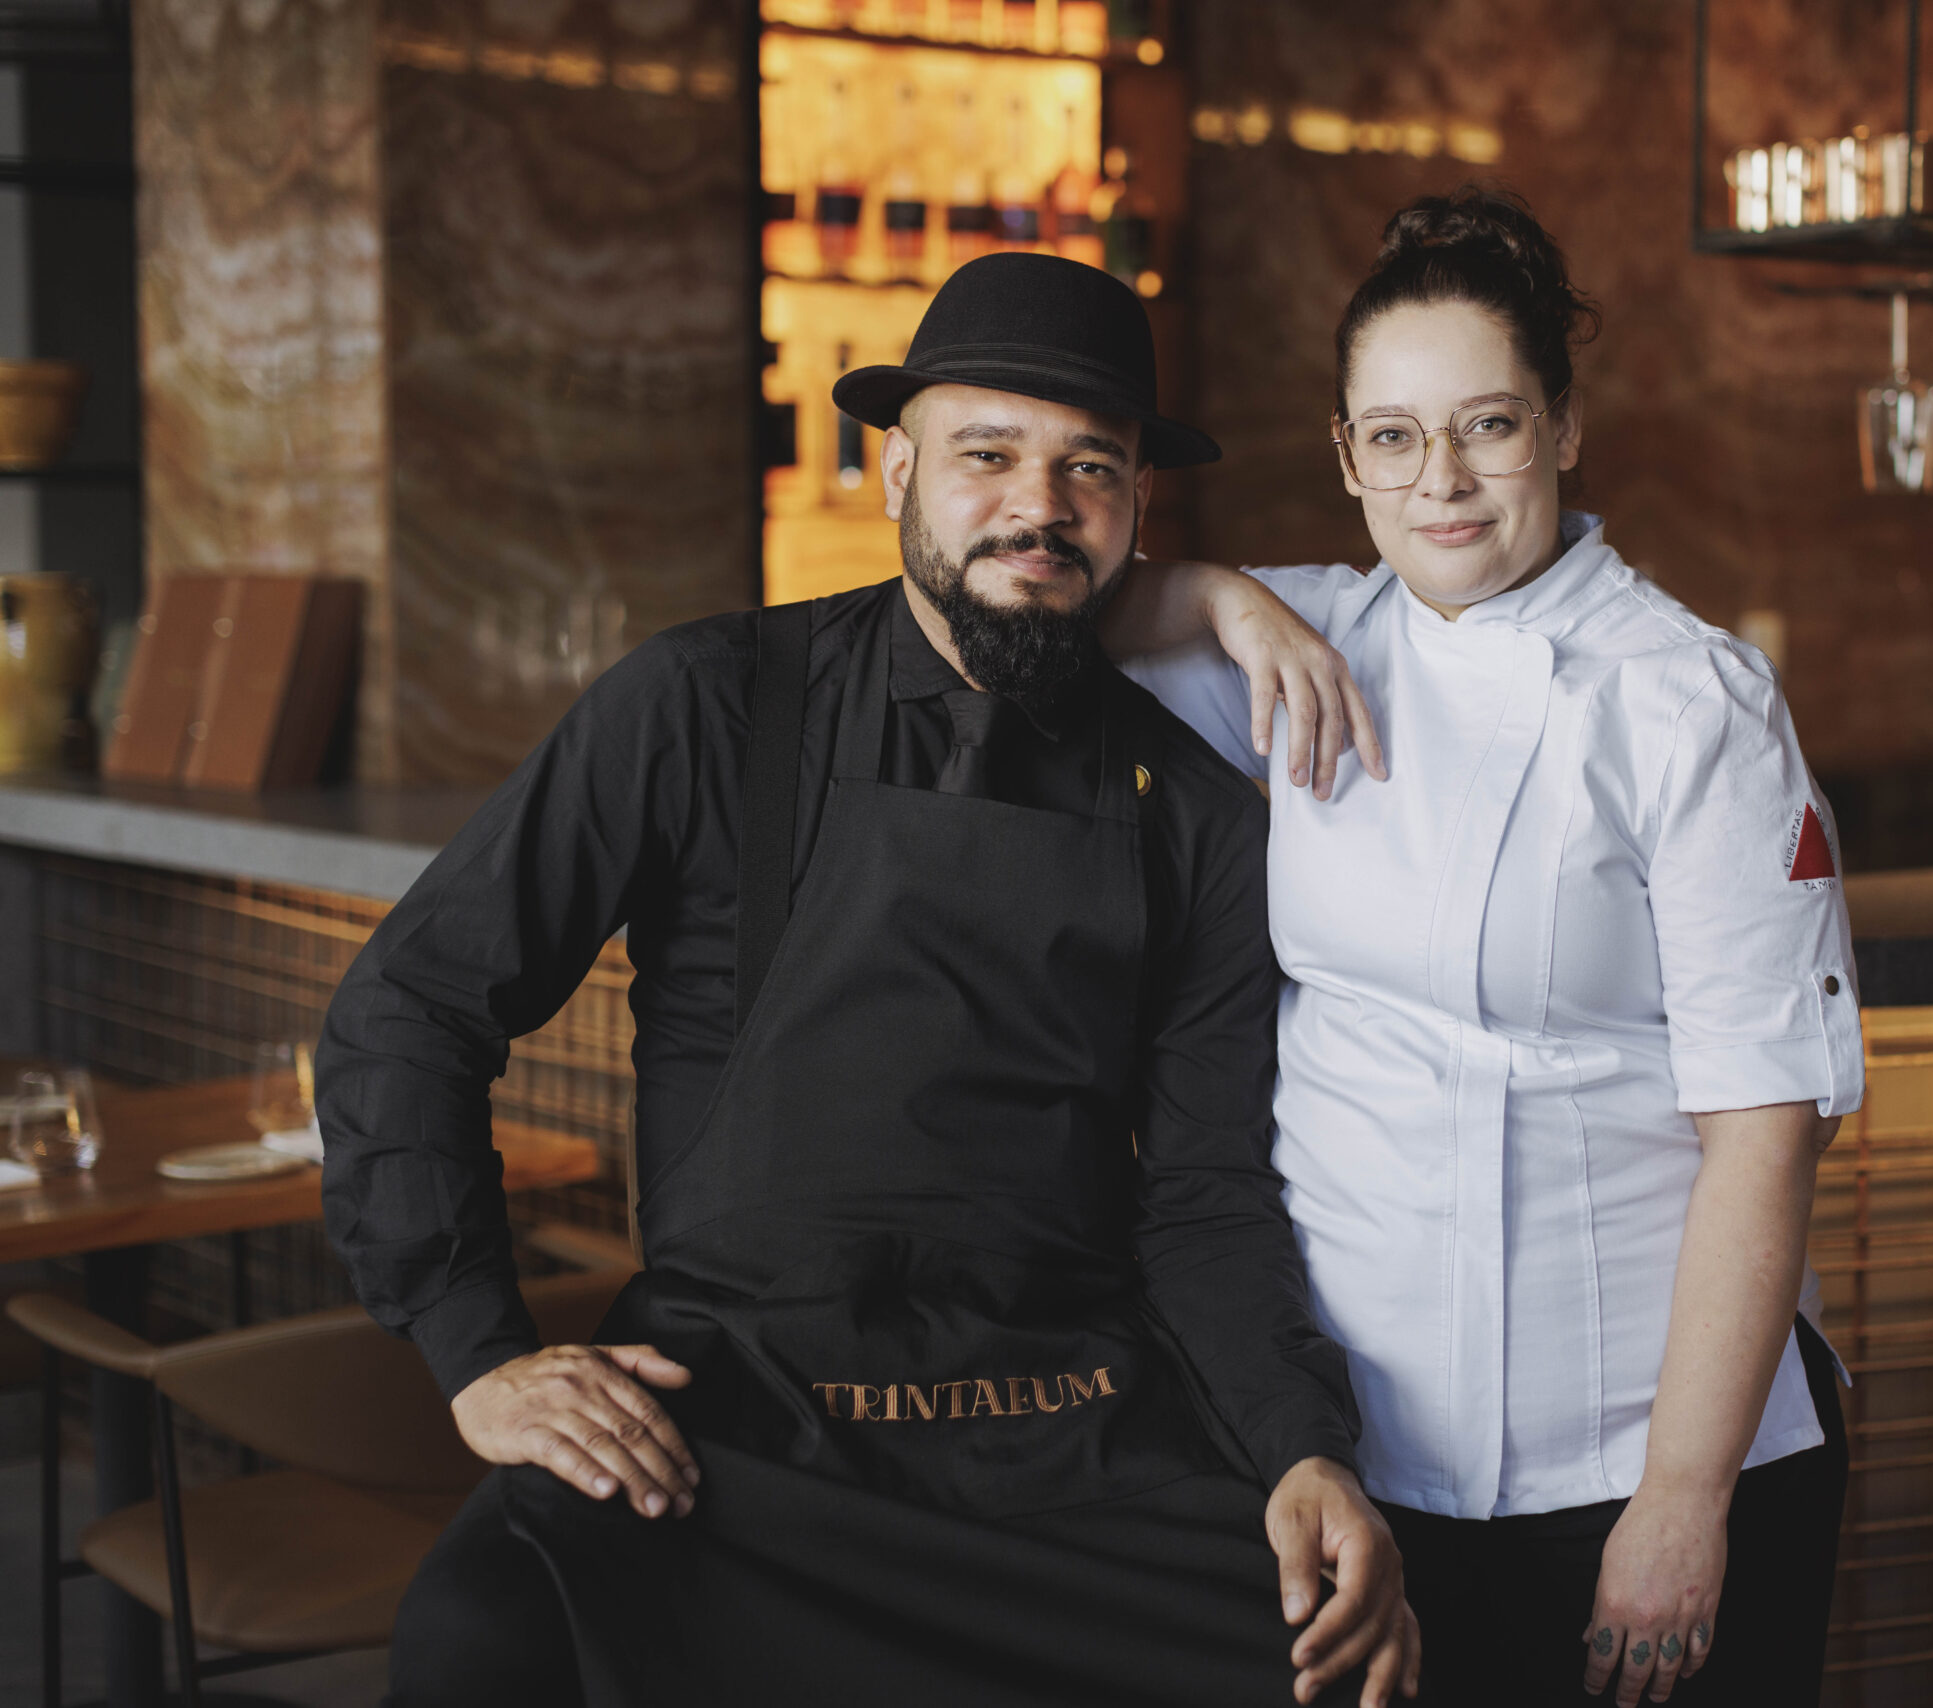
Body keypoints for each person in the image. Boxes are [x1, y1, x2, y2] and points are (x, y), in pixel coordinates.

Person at [318, 252, 1419, 1708]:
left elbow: (1206, 1196)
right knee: (482, 1638)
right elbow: (412, 1006)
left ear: (1139, 506)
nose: (1039, 505)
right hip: (732, 1416)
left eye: (1090, 466)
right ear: (896, 468)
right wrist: (479, 1354)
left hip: (1061, 1421)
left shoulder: (1200, 816)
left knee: (1326, 1658)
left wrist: (1301, 1446)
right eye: (987, 455)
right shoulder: (706, 705)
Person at [1103, 188, 1863, 1708]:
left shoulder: (1689, 702)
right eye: (1393, 437)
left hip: (1631, 1462)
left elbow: (1766, 1129)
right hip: (1361, 1469)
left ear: (1564, 429)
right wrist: (1224, 596)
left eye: (1489, 426)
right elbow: (1060, 611)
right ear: (1345, 458)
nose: (1439, 480)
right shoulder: (1307, 646)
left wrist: (1682, 1501)